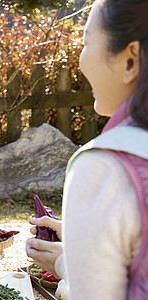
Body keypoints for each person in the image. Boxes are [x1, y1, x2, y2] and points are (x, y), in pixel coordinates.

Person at [26, 0, 148, 299]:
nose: (79, 61)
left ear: (130, 60)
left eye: (86, 42)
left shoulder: (105, 166)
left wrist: (64, 263)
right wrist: (85, 238)